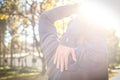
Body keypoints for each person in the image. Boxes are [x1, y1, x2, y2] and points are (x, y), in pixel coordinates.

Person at [39, 2, 108, 80]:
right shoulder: (96, 53)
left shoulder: (52, 51)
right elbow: (90, 18)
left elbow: (45, 18)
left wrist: (74, 8)